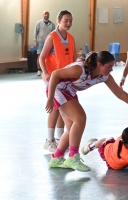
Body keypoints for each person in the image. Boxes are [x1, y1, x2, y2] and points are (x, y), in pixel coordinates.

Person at [46, 51, 128, 172]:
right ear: (99, 64)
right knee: (80, 119)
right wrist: (50, 98)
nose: (111, 70)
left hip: (69, 91)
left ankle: (57, 158)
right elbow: (54, 74)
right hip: (57, 90)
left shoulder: (104, 76)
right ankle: (73, 157)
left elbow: (120, 93)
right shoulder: (80, 70)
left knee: (72, 128)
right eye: (109, 67)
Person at [39, 10, 77, 153]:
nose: (68, 23)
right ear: (59, 21)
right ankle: (49, 141)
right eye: (66, 20)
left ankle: (60, 138)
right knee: (55, 108)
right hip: (53, 78)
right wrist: (46, 73)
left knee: (64, 109)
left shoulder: (71, 38)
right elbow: (41, 57)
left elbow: (73, 60)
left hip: (66, 79)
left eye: (70, 21)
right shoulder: (52, 37)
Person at [33, 10, 55, 76]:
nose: (46, 15)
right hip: (40, 42)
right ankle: (39, 70)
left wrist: (54, 43)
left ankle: (46, 70)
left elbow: (54, 34)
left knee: (48, 57)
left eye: (47, 14)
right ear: (43, 15)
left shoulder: (52, 24)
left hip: (49, 43)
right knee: (40, 56)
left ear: (49, 15)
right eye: (45, 14)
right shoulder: (38, 23)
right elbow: (35, 32)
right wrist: (35, 41)